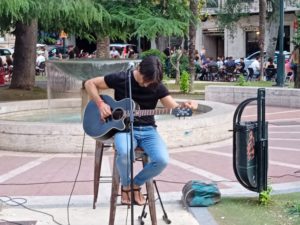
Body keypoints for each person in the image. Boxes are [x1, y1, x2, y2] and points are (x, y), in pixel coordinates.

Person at [84, 56, 197, 205]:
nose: (146, 84)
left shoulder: (156, 85)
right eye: (145, 80)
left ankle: (134, 184)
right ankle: (125, 186)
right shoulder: (121, 78)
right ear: (139, 69)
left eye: (151, 82)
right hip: (124, 129)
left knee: (161, 160)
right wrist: (100, 104)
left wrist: (187, 106)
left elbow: (174, 108)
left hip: (148, 130)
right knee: (124, 152)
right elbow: (89, 83)